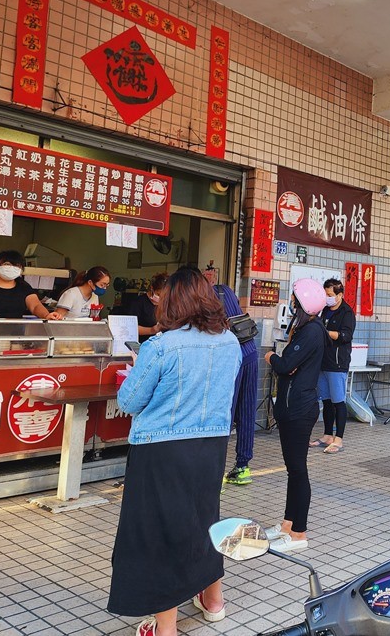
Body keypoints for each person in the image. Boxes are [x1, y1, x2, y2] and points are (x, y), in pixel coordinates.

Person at [107, 267, 242, 636]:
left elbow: (130, 400)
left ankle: (165, 627)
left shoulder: (160, 346)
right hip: (211, 446)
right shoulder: (230, 342)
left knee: (158, 531)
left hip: (161, 449)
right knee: (204, 520)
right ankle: (214, 601)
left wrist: (138, 368)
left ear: (171, 302)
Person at [262, 278, 328, 553]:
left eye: (292, 299)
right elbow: (290, 366)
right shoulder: (304, 329)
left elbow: (286, 363)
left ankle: (299, 533)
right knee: (293, 469)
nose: (289, 303)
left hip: (300, 407)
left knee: (298, 470)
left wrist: (271, 358)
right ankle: (288, 524)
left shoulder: (312, 331)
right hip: (293, 405)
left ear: (301, 304)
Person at [214, 283, 260, 485]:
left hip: (233, 356)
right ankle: (242, 467)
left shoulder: (210, 294)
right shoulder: (226, 290)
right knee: (247, 411)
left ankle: (215, 474)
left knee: (226, 413)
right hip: (250, 352)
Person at [310, 278, 356, 454]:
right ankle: (327, 435)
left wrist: (326, 333)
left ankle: (339, 439)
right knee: (327, 401)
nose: (327, 298)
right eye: (325, 295)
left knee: (338, 402)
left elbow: (346, 335)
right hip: (323, 361)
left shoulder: (347, 313)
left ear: (340, 295)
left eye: (330, 295)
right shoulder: (325, 310)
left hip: (337, 363)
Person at [126, 273, 168, 341]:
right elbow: (130, 328)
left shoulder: (167, 304)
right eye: (158, 294)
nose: (161, 299)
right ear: (152, 288)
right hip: (143, 343)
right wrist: (151, 330)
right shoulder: (138, 303)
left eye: (165, 296)